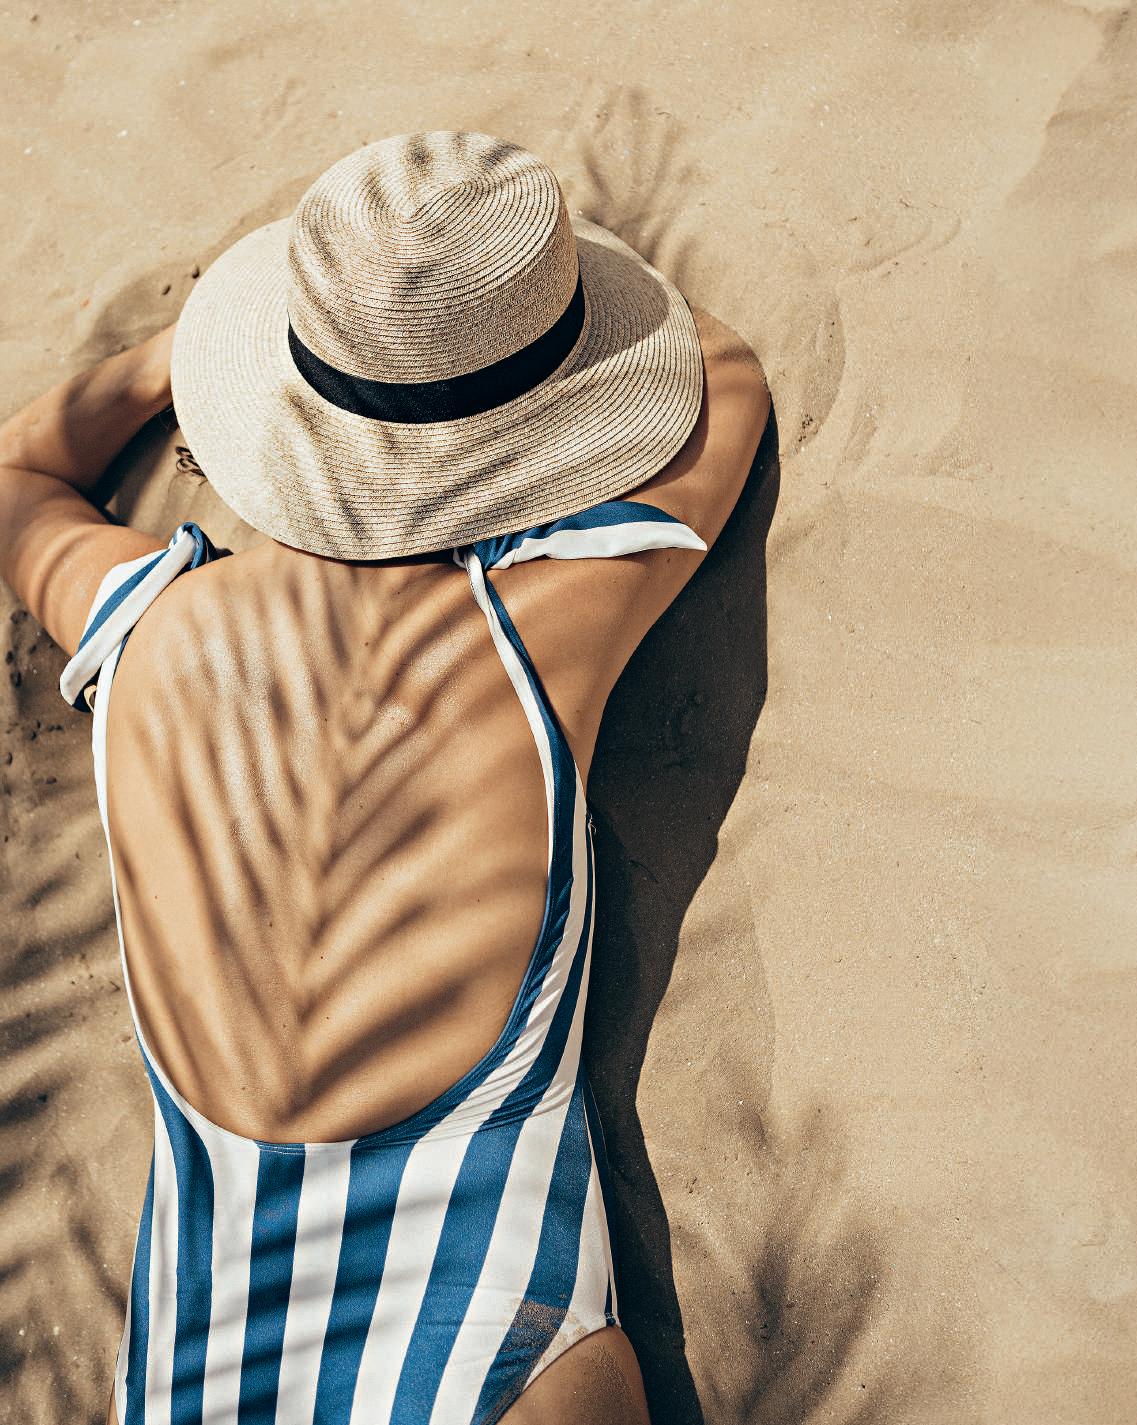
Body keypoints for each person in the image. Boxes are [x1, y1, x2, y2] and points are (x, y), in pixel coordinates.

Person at [0, 130, 769, 1425]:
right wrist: (537, 352)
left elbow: (21, 474)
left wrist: (184, 352)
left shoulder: (139, 625)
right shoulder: (550, 625)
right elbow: (725, 379)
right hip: (481, 1330)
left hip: (201, 1371)